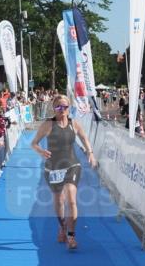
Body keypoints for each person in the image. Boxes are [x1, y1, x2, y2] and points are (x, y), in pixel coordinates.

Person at [31, 95, 97, 251]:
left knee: (71, 199)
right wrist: (41, 150)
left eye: (65, 107)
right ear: (53, 108)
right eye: (59, 107)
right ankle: (61, 226)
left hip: (72, 165)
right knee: (59, 200)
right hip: (53, 167)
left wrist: (90, 153)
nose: (62, 110)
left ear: (69, 108)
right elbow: (33, 143)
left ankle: (71, 235)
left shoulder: (74, 123)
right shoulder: (49, 124)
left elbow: (84, 137)